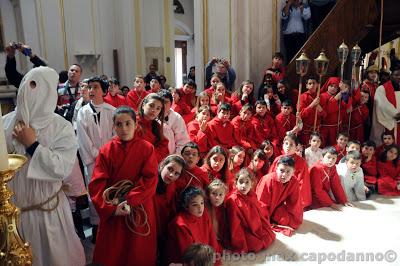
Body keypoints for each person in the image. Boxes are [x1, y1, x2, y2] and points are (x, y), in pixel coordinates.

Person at [3, 66, 85, 265]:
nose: (29, 91)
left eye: (36, 86)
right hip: (15, 217)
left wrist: (32, 145)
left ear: (49, 92)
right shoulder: (4, 123)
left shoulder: (60, 127)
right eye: (28, 84)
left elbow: (62, 168)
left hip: (48, 214)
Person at [88, 106, 158, 266]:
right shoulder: (106, 150)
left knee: (138, 251)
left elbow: (150, 179)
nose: (124, 128)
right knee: (114, 252)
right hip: (114, 207)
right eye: (119, 124)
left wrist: (128, 200)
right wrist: (111, 208)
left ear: (136, 124)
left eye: (128, 123)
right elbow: (97, 183)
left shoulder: (147, 148)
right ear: (113, 126)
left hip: (139, 206)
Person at [76, 76, 116, 241]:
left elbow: (116, 136)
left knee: (111, 191)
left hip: (111, 160)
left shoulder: (112, 111)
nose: (91, 90)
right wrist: (97, 154)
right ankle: (97, 227)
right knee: (95, 194)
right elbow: (83, 140)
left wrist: (108, 154)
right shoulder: (83, 112)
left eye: (95, 87)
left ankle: (112, 224)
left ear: (104, 90)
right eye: (89, 87)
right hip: (93, 162)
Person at [166, 186, 221, 265]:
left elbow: (212, 239)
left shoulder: (204, 214)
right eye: (195, 205)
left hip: (204, 259)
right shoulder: (180, 224)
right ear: (186, 206)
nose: (200, 208)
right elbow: (189, 255)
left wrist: (216, 262)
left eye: (202, 203)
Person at [225, 168, 276, 253]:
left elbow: (258, 213)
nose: (244, 186)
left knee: (268, 235)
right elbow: (235, 225)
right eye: (241, 182)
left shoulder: (252, 195)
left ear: (252, 183)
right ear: (235, 183)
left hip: (255, 226)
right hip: (243, 230)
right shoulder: (232, 199)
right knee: (256, 244)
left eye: (247, 182)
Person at [256, 156, 303, 236]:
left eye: (288, 172)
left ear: (293, 172)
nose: (284, 175)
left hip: (277, 208)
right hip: (262, 210)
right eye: (281, 170)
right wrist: (265, 221)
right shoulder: (267, 180)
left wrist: (295, 218)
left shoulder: (293, 181)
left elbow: (295, 203)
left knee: (293, 221)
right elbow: (261, 204)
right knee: (261, 228)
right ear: (276, 168)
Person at [155, 155, 186, 260]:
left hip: (162, 228)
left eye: (177, 173)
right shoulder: (149, 182)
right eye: (170, 169)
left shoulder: (172, 186)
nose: (172, 175)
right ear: (162, 165)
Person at [269, 133, 311, 208]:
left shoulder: (301, 162)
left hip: (292, 195)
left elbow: (302, 182)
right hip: (276, 193)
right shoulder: (277, 159)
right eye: (286, 144)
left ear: (296, 147)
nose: (288, 147)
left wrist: (297, 201)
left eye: (291, 145)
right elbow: (271, 178)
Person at [371, 62, 400, 145]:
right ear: (391, 76)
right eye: (396, 75)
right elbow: (382, 105)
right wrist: (396, 114)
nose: (399, 77)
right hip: (388, 124)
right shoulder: (382, 89)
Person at [136, 93, 170, 162]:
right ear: (143, 105)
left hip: (152, 163)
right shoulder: (133, 122)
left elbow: (163, 147)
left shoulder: (157, 125)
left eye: (158, 108)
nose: (154, 110)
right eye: (151, 105)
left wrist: (153, 157)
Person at [158, 89, 190, 154]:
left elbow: (183, 141)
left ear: (171, 103)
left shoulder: (176, 118)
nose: (163, 105)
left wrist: (175, 159)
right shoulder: (152, 116)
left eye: (165, 102)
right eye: (161, 102)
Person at [298, 76, 325, 145]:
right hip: (306, 131)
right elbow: (300, 114)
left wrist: (320, 109)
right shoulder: (302, 97)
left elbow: (325, 115)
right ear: (306, 86)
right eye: (310, 83)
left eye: (314, 83)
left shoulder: (320, 97)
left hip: (318, 130)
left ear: (317, 85)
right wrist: (311, 105)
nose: (312, 85)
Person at [206, 179, 229, 247]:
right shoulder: (206, 210)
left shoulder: (224, 208)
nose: (217, 197)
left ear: (225, 195)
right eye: (214, 194)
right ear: (208, 194)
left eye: (220, 194)